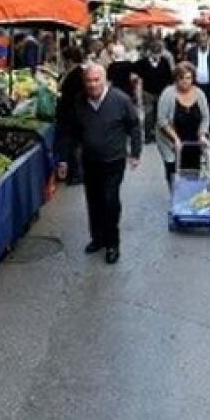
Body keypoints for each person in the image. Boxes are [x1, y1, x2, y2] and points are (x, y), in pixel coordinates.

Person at [55, 64, 142, 265]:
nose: (93, 85)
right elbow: (71, 133)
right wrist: (63, 159)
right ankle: (98, 238)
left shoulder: (120, 100)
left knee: (110, 201)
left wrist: (135, 153)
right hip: (90, 161)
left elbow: (134, 126)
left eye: (96, 80)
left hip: (114, 161)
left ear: (105, 80)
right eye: (89, 81)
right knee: (94, 201)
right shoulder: (80, 102)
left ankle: (112, 244)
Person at [156, 62, 210, 187]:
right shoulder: (168, 94)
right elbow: (162, 120)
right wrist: (175, 139)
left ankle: (191, 197)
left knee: (193, 171)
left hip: (193, 140)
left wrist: (202, 134)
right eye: (181, 78)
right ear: (176, 79)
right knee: (173, 171)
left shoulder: (199, 94)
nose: (185, 81)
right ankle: (177, 197)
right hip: (170, 141)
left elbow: (205, 116)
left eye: (188, 78)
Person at [56, 46, 87, 185]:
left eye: (64, 59)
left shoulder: (77, 74)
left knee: (73, 145)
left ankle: (77, 174)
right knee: (73, 145)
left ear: (69, 60)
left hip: (72, 114)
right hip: (71, 113)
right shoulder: (73, 72)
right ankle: (74, 173)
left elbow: (75, 96)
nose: (62, 62)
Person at [133, 40, 174, 145]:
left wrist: (169, 90)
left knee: (160, 115)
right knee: (149, 115)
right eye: (154, 53)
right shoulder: (143, 63)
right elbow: (136, 75)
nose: (156, 55)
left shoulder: (164, 61)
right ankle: (148, 135)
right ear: (150, 52)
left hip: (161, 92)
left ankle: (159, 135)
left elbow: (169, 77)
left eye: (158, 52)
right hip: (148, 92)